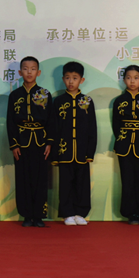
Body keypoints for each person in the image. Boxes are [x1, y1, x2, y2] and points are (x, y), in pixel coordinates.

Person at [47, 62, 97, 226]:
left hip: (82, 151)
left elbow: (92, 128)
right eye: (68, 78)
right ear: (63, 79)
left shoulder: (87, 101)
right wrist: (55, 153)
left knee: (82, 183)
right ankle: (67, 213)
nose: (71, 82)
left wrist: (90, 152)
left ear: (81, 80)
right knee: (66, 184)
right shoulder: (58, 101)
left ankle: (80, 213)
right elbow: (53, 128)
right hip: (64, 150)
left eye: (74, 78)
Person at [7, 56, 52, 228]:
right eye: (25, 69)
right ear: (20, 72)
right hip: (22, 141)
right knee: (23, 179)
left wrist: (49, 142)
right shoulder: (14, 95)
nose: (29, 72)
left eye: (33, 69)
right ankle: (26, 215)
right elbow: (10, 122)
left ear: (38, 72)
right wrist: (14, 144)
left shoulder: (45, 94)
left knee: (40, 180)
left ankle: (39, 215)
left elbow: (50, 121)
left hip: (40, 142)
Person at [112, 65, 139, 225]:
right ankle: (130, 213)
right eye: (129, 77)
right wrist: (123, 138)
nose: (132, 81)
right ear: (124, 80)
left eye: (136, 77)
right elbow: (116, 125)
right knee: (128, 180)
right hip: (124, 146)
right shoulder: (119, 101)